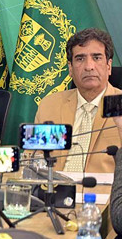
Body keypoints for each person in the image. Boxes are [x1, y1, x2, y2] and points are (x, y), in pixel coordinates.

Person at [35, 28, 122, 172]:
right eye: (80, 59)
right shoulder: (50, 105)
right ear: (70, 68)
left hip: (105, 193)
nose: (89, 67)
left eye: (97, 57)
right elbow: (35, 159)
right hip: (53, 190)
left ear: (109, 66)